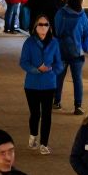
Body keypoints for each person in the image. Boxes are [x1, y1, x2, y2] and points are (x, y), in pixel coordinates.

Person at [20, 14, 63, 154]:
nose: (43, 27)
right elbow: (23, 62)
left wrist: (53, 71)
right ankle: (33, 135)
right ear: (35, 27)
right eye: (40, 24)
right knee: (35, 113)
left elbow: (59, 63)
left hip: (49, 84)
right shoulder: (29, 42)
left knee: (47, 115)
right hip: (31, 84)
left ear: (50, 28)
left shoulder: (54, 43)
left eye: (46, 25)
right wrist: (37, 69)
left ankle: (44, 143)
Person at [54, 0, 88, 114]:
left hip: (62, 50)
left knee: (59, 77)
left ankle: (56, 101)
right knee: (77, 79)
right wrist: (85, 47)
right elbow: (87, 32)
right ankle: (78, 105)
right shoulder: (82, 15)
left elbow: (57, 30)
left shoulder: (61, 13)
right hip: (77, 52)